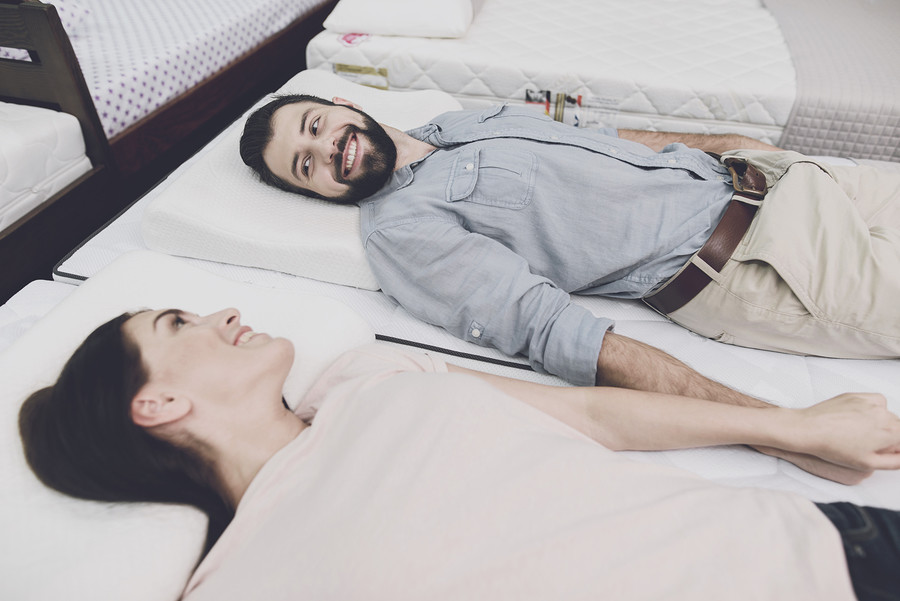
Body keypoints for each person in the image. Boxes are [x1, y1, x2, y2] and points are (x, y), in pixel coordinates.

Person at [17, 308, 900, 600]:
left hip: (825, 556)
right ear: (156, 402)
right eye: (178, 323)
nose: (219, 315)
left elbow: (593, 414)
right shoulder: (232, 583)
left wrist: (795, 425)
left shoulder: (364, 378)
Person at [238, 95, 900, 420]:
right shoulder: (401, 233)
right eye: (306, 166)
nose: (328, 150)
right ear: (315, 192)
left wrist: (725, 142)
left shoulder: (461, 119)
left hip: (780, 177)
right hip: (757, 263)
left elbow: (604, 136)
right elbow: (556, 333)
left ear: (341, 105)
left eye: (316, 125)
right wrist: (780, 426)